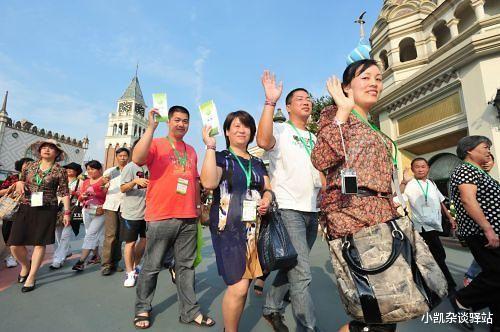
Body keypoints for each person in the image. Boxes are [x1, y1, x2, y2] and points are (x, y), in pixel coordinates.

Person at [311, 59, 401, 332]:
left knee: (386, 309)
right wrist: (342, 111)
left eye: (378, 78)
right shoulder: (334, 115)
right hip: (353, 216)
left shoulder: (372, 126)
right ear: (346, 87)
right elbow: (321, 157)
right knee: (376, 311)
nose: (374, 83)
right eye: (366, 78)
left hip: (382, 215)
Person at [132, 106, 215, 329]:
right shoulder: (156, 143)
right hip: (161, 215)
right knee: (151, 265)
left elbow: (196, 181)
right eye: (177, 120)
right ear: (168, 121)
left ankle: (190, 311)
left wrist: (197, 208)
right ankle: (142, 307)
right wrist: (150, 128)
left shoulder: (191, 150)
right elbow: (137, 158)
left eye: (185, 121)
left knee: (185, 268)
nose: (181, 124)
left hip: (188, 217)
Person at [257, 71, 323, 332]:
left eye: (308, 98)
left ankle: (272, 307)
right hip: (287, 208)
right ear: (288, 106)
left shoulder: (315, 138)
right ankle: (309, 327)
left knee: (292, 264)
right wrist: (269, 102)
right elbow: (262, 141)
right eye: (299, 99)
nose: (306, 102)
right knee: (303, 273)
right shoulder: (280, 129)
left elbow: (321, 174)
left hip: (312, 209)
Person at [201, 111, 272, 332]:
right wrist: (210, 146)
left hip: (255, 229)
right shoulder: (222, 157)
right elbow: (209, 181)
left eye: (246, 126)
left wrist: (267, 198)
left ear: (251, 132)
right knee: (239, 287)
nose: (242, 130)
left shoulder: (258, 162)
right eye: (236, 126)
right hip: (228, 230)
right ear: (226, 132)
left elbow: (267, 188)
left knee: (245, 283)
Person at [449, 136, 500, 331]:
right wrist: (488, 229)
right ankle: (463, 299)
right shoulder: (465, 169)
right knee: (497, 273)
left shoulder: (480, 172)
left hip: (491, 231)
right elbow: (468, 200)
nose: (488, 151)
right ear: (469, 150)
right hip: (481, 233)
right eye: (485, 147)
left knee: (495, 276)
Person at [9, 139, 70, 292]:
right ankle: (25, 266)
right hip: (26, 206)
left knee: (39, 243)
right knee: (15, 244)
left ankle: (31, 276)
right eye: (44, 147)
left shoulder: (60, 171)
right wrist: (19, 183)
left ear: (57, 153)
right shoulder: (29, 166)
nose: (47, 150)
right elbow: (21, 180)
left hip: (47, 209)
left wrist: (67, 212)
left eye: (51, 148)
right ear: (39, 151)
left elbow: (64, 192)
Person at [400, 158, 457, 293]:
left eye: (423, 166)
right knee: (438, 255)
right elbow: (399, 197)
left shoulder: (431, 183)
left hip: (434, 225)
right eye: (417, 167)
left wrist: (450, 218)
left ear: (428, 168)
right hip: (422, 227)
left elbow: (441, 201)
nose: (420, 169)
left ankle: (431, 283)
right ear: (413, 170)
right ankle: (449, 285)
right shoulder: (411, 185)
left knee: (434, 255)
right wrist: (403, 182)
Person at [463, 153, 495, 287]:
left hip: (493, 225)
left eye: (490, 159)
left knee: (489, 261)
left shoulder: (491, 180)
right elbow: (468, 201)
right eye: (485, 159)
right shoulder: (469, 176)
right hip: (481, 228)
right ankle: (465, 293)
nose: (487, 162)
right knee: (490, 262)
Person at [120, 141, 148, 287]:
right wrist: (134, 182)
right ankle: (129, 272)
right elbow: (122, 188)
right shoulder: (130, 167)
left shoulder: (150, 166)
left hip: (148, 212)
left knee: (144, 241)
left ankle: (136, 265)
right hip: (131, 213)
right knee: (130, 243)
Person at [72, 160, 108, 271]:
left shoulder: (105, 180)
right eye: (88, 169)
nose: (90, 171)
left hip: (100, 212)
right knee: (91, 234)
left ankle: (81, 261)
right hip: (86, 210)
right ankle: (96, 256)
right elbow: (80, 198)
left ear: (100, 169)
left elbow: (108, 194)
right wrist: (82, 196)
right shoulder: (86, 181)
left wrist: (95, 193)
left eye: (93, 169)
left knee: (90, 235)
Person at [0, 158, 33, 268]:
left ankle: (16, 256)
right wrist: (13, 187)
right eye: (25, 164)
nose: (27, 166)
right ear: (20, 166)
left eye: (31, 164)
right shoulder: (13, 178)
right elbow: (1, 191)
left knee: (20, 236)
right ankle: (9, 256)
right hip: (10, 209)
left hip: (26, 210)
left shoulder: (35, 180)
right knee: (7, 233)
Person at [49, 162, 83, 269]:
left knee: (65, 235)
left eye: (71, 169)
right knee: (58, 233)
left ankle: (58, 259)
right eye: (67, 168)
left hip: (72, 210)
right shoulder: (59, 181)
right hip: (57, 209)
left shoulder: (81, 182)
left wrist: (75, 193)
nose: (68, 170)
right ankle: (66, 251)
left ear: (77, 171)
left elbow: (84, 196)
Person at [101, 148, 129, 275]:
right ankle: (106, 264)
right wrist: (103, 183)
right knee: (110, 235)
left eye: (125, 156)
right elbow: (103, 189)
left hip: (126, 206)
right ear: (116, 157)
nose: (122, 158)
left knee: (119, 236)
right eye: (120, 155)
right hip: (111, 206)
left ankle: (115, 262)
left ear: (128, 157)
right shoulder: (110, 171)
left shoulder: (131, 170)